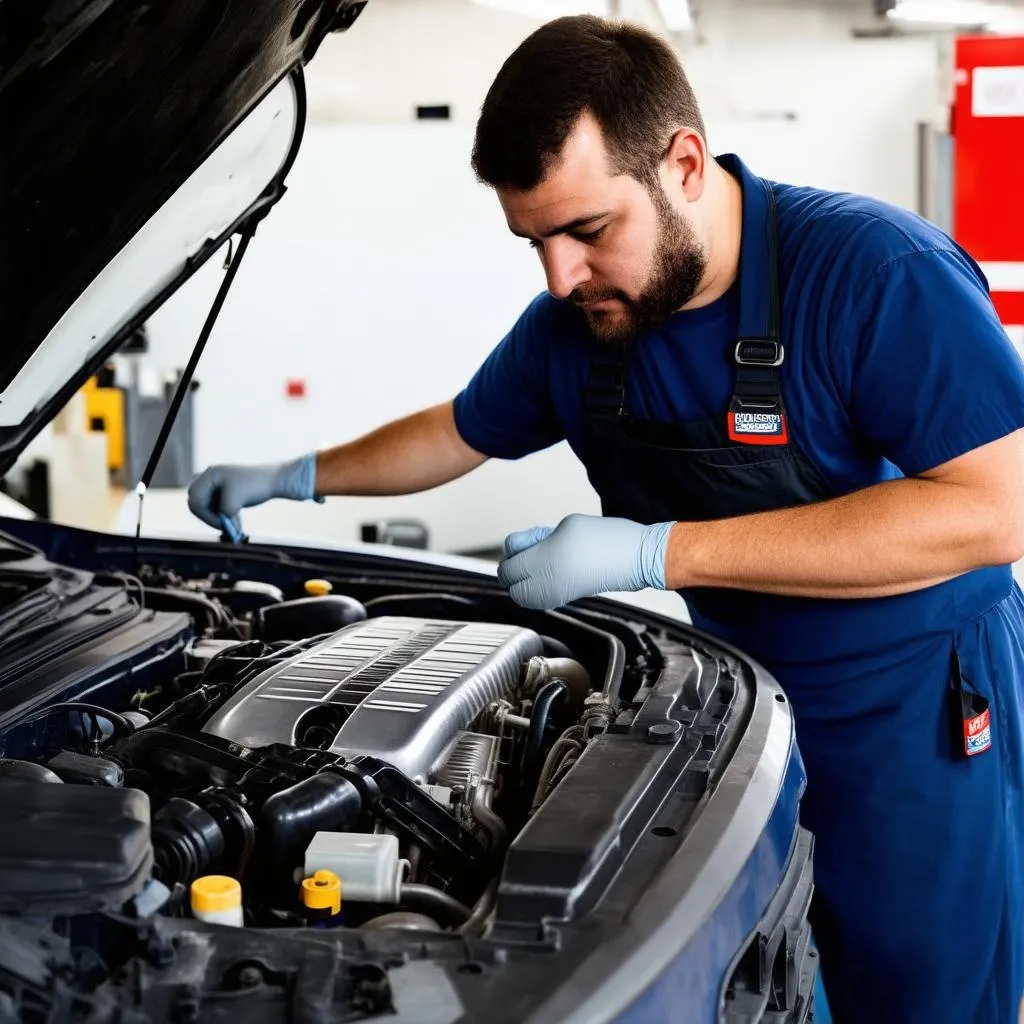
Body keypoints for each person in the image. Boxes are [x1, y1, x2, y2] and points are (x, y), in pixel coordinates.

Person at [187, 15, 1024, 1023]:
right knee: (771, 978)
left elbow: (994, 510)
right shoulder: (580, 323)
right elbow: (461, 430)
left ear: (680, 163)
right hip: (743, 705)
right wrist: (301, 470)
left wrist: (652, 549)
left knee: (916, 993)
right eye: (534, 239)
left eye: (586, 230)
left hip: (915, 712)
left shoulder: (871, 276)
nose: (558, 276)